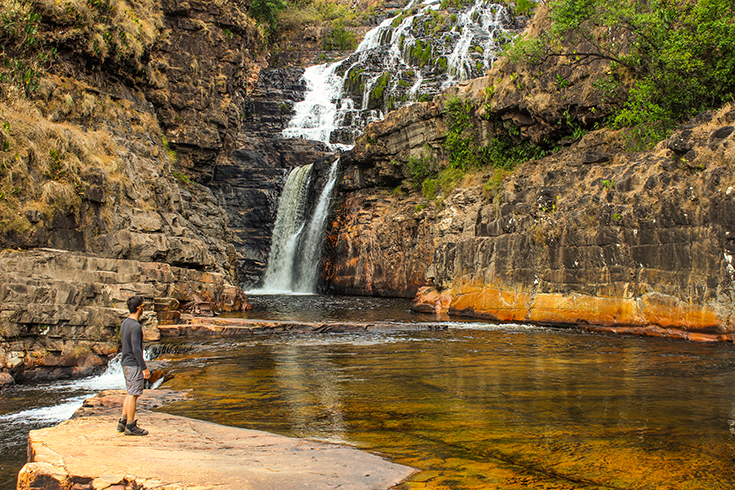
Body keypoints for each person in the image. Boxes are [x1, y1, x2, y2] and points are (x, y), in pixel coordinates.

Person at [117, 295, 151, 436]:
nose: (143, 309)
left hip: (125, 362)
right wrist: (144, 368)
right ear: (139, 308)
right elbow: (137, 349)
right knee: (133, 394)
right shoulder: (136, 327)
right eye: (143, 306)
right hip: (133, 364)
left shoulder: (125, 323)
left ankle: (123, 422)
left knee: (130, 392)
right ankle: (131, 426)